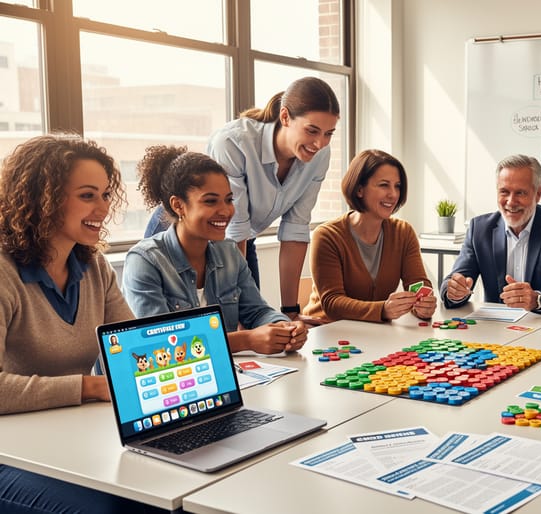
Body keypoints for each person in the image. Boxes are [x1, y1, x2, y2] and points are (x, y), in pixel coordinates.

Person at [0, 134, 163, 512]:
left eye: (106, 195)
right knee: (107, 509)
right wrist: (87, 387)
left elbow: (135, 350)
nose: (103, 208)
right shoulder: (4, 271)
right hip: (10, 452)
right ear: (43, 197)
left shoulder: (93, 266)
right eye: (88, 195)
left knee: (160, 495)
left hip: (65, 439)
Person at [145, 77, 339, 320]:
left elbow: (295, 230)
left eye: (329, 133)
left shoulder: (320, 155)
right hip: (182, 229)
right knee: (180, 326)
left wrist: (291, 313)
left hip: (241, 236)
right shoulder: (234, 141)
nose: (320, 142)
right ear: (286, 117)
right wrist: (239, 326)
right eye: (312, 130)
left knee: (253, 319)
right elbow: (232, 225)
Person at [123, 145, 306, 355]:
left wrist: (286, 327)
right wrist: (245, 340)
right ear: (178, 205)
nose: (226, 211)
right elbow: (163, 343)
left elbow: (257, 312)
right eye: (210, 201)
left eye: (229, 200)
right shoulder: (145, 260)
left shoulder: (229, 252)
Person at [303, 149, 437, 323]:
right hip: (327, 331)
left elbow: (418, 283)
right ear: (359, 189)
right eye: (384, 185)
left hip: (374, 332)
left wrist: (424, 306)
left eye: (397, 186)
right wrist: (382, 310)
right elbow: (332, 303)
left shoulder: (403, 233)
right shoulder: (328, 236)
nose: (393, 194)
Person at [440, 154, 541, 314]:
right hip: (494, 330)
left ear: (538, 193)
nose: (510, 201)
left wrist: (537, 299)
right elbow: (455, 280)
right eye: (504, 192)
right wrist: (454, 291)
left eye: (520, 193)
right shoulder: (479, 229)